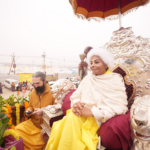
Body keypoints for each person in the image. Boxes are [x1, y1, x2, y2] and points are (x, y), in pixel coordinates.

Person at [45, 48, 128, 150]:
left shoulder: (115, 79)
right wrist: (76, 104)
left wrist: (91, 112)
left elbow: (119, 107)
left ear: (106, 64)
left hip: (95, 118)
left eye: (96, 62)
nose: (92, 65)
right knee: (66, 122)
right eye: (91, 62)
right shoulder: (88, 78)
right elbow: (76, 95)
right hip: (78, 113)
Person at [15, 72, 55, 150]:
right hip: (32, 124)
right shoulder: (33, 91)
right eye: (34, 83)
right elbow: (30, 105)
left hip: (46, 128)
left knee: (36, 144)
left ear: (44, 80)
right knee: (16, 130)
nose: (36, 86)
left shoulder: (53, 92)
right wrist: (28, 110)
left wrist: (43, 111)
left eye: (38, 83)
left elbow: (57, 110)